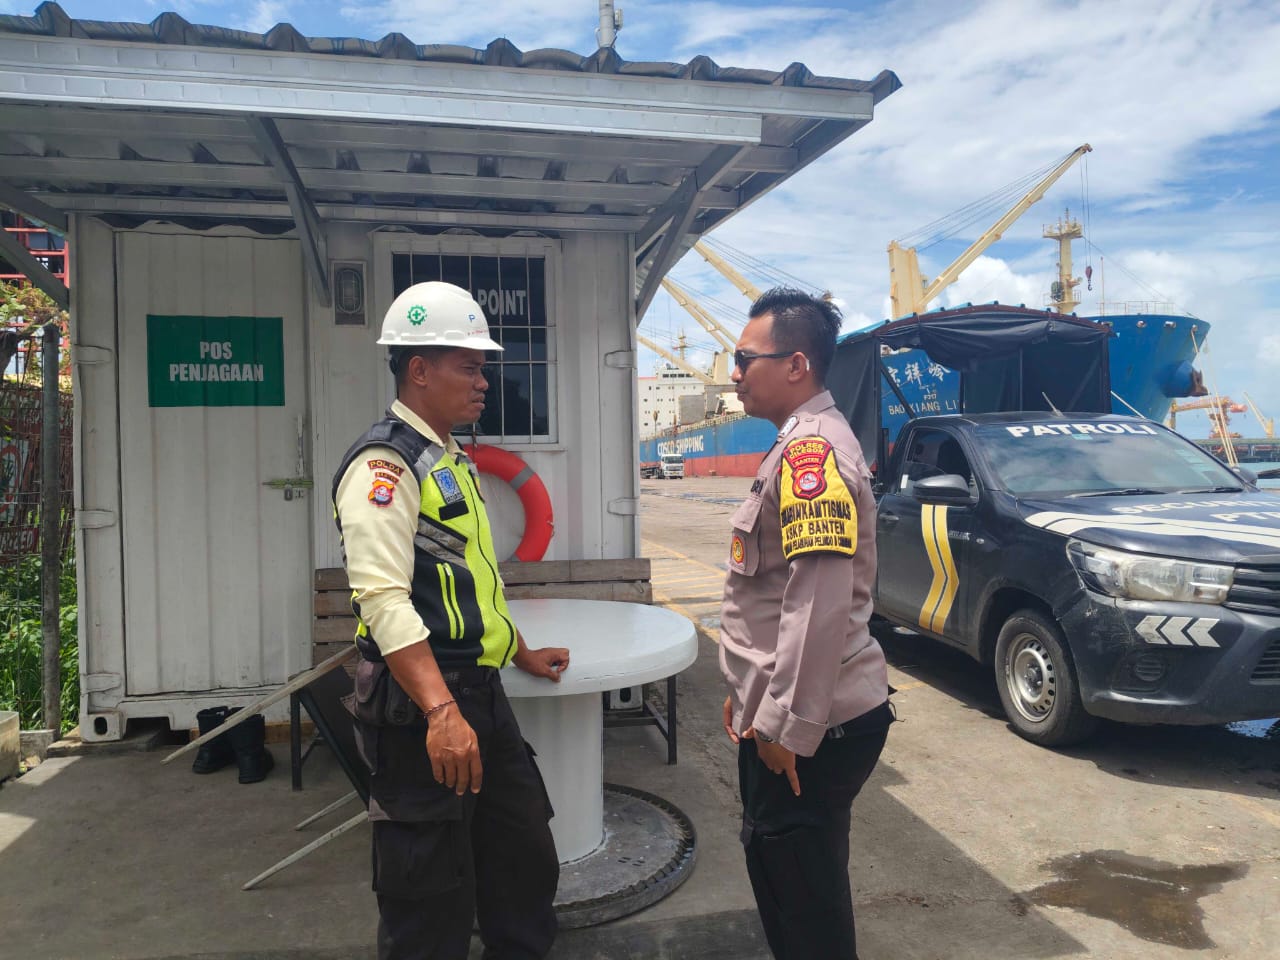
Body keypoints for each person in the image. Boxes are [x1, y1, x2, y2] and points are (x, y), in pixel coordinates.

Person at [332, 281, 569, 960]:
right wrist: (440, 711)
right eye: (469, 366)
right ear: (419, 370)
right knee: (429, 900)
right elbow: (383, 601)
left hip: (481, 697)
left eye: (482, 367)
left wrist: (518, 650)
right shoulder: (385, 467)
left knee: (523, 862)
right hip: (422, 710)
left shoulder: (449, 457)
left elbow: (470, 583)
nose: (483, 381)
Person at [720, 287, 893, 960]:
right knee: (795, 881)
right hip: (789, 706)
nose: (734, 373)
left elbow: (816, 603)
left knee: (802, 903)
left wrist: (783, 726)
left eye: (745, 359)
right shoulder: (796, 444)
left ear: (796, 365)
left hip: (811, 726)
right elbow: (768, 596)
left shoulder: (810, 454)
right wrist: (747, 691)